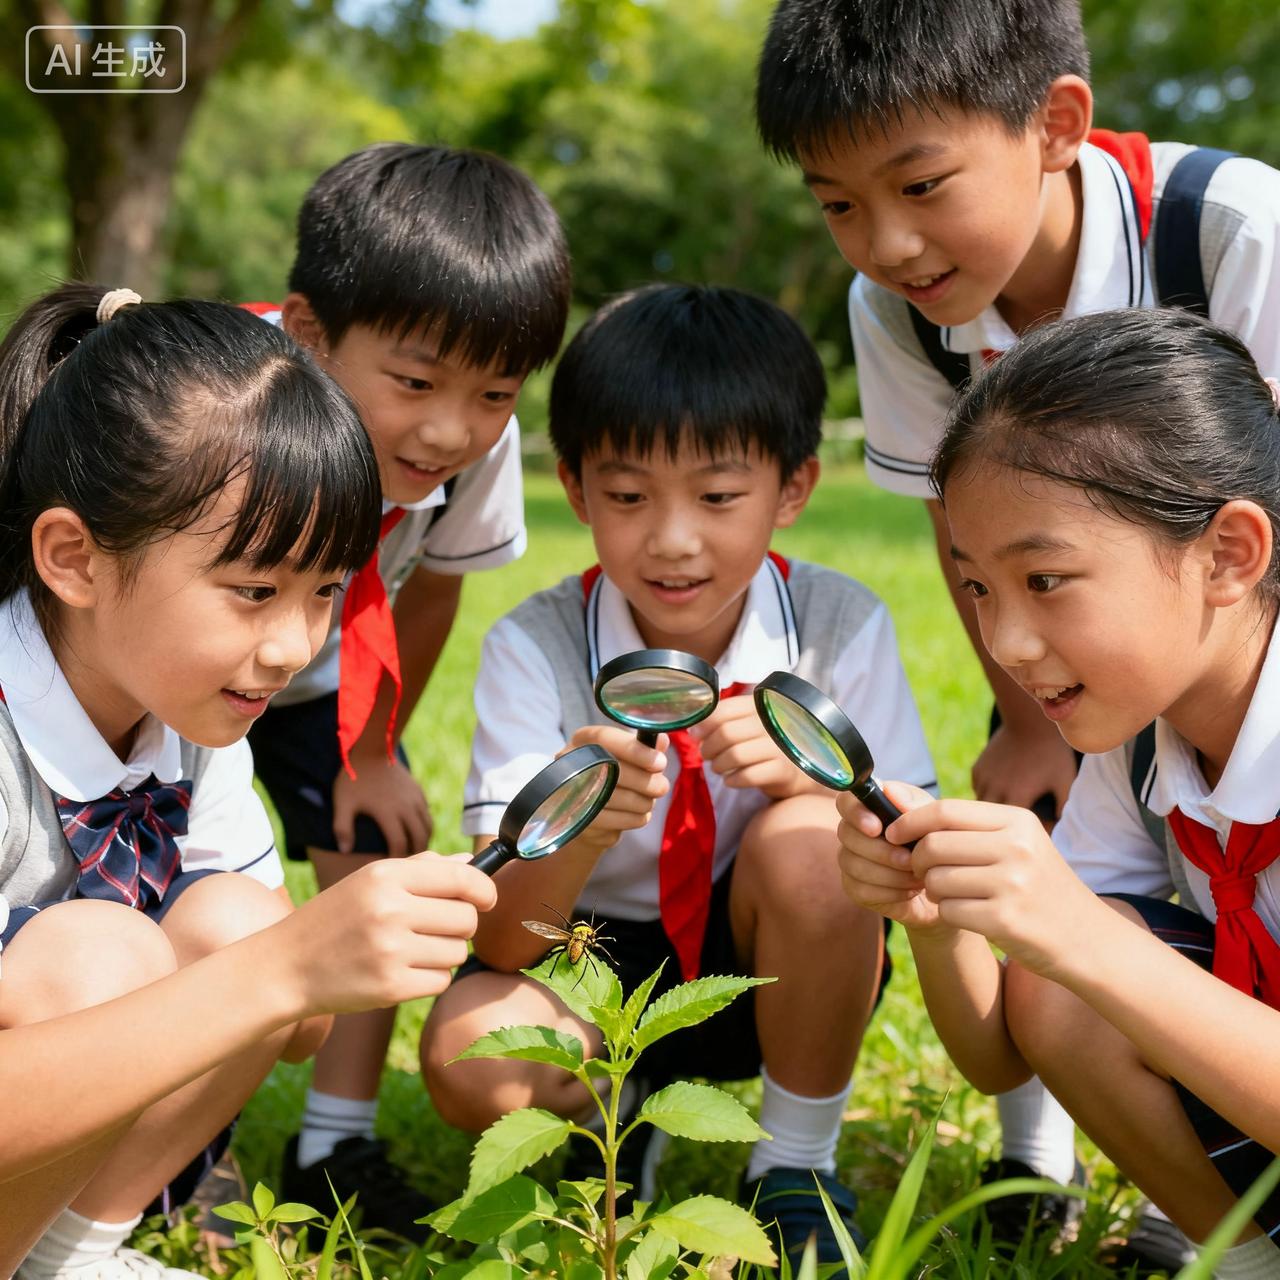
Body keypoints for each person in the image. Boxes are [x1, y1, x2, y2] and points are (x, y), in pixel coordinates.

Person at [754, 0, 1280, 1251]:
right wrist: (1021, 757)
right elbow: (969, 530)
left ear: (1054, 124)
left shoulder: (1237, 234)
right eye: (837, 204)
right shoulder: (896, 316)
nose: (885, 242)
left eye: (920, 183)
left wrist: (1087, 930)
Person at [419, 284, 937, 1264]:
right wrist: (579, 819)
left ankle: (794, 1161)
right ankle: (614, 1125)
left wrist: (816, 783)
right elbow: (500, 933)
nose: (671, 539)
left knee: (812, 841)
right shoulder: (532, 644)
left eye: (717, 495)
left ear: (792, 489)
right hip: (579, 957)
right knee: (465, 1055)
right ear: (576, 491)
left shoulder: (839, 624)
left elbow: (912, 852)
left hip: (768, 962)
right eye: (627, 496)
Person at [0, 284, 497, 1278]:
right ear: (73, 558)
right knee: (101, 956)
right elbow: (270, 988)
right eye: (255, 590)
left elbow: (293, 1021)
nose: (294, 647)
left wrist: (313, 961)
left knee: (236, 921)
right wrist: (287, 969)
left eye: (326, 591)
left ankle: (67, 1258)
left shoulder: (188, 714)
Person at [837, 307, 1280, 1279]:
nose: (1004, 643)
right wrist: (935, 919)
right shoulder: (1140, 738)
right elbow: (1014, 1045)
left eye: (1043, 579)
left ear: (1227, 554)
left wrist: (1082, 935)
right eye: (977, 588)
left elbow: (1090, 955)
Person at [241, 142, 571, 1233]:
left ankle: (333, 1142)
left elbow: (427, 591)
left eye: (494, 392)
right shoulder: (220, 406)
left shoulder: (471, 455)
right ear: (307, 334)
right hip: (166, 674)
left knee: (374, 854)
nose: (448, 429)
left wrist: (371, 750)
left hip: (314, 679)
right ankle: (169, 1138)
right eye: (416, 382)